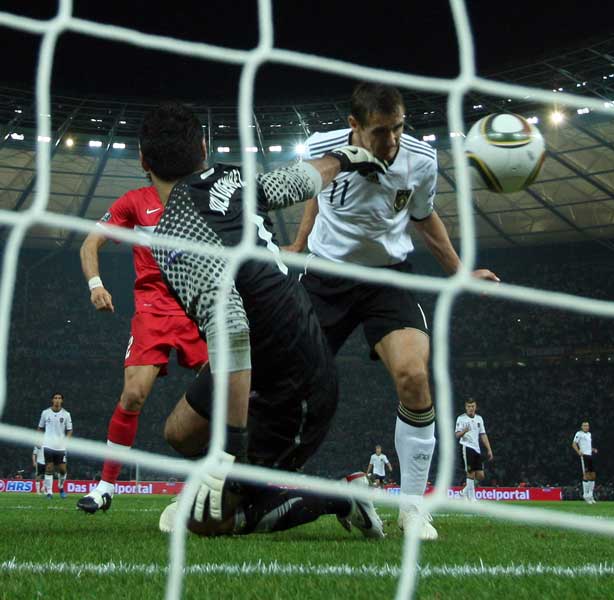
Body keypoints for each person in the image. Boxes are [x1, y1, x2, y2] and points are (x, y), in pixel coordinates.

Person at [138, 101, 387, 537]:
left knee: (205, 523)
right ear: (203, 147)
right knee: (180, 431)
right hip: (264, 356)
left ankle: (339, 495)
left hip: (296, 385)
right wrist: (345, 158)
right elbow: (297, 179)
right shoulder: (231, 178)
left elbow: (231, 326)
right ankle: (248, 484)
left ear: (144, 162)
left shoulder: (174, 236)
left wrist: (229, 449)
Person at [286, 82, 499, 540]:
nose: (392, 140)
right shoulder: (323, 147)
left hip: (388, 278)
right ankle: (230, 480)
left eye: (398, 128)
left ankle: (413, 508)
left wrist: (460, 271)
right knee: (283, 379)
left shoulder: (420, 159)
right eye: (381, 131)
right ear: (355, 126)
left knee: (414, 376)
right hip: (327, 278)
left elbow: (424, 216)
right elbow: (314, 194)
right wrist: (300, 243)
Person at [77, 183, 209, 514]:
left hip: (199, 306)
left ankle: (227, 479)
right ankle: (106, 487)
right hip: (153, 310)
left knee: (229, 390)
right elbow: (90, 242)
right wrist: (96, 285)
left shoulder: (205, 194)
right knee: (133, 394)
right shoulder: (135, 201)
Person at [454, 399, 493, 501]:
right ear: (465, 407)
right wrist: (464, 431)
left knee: (480, 476)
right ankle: (472, 499)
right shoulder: (461, 418)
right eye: (469, 406)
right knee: (470, 473)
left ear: (475, 407)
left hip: (476, 449)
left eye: (472, 406)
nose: (471, 408)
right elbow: (457, 435)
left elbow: (483, 434)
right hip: (466, 447)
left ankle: (463, 492)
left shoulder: (479, 419)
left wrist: (489, 449)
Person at [36, 393, 72, 499]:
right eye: (55, 398)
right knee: (49, 468)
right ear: (52, 400)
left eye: (59, 398)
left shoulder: (66, 414)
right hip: (48, 445)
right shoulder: (45, 413)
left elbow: (69, 430)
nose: (57, 400)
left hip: (60, 447)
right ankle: (49, 493)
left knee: (63, 470)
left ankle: (61, 487)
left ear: (62, 401)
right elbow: (40, 428)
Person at [571, 421, 597, 504]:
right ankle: (585, 495)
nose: (586, 427)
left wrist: (592, 449)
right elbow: (574, 444)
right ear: (582, 427)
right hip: (584, 456)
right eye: (585, 426)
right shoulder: (579, 434)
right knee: (586, 475)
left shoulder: (589, 434)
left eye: (587, 426)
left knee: (593, 475)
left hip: (590, 455)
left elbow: (587, 445)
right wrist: (578, 451)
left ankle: (590, 494)